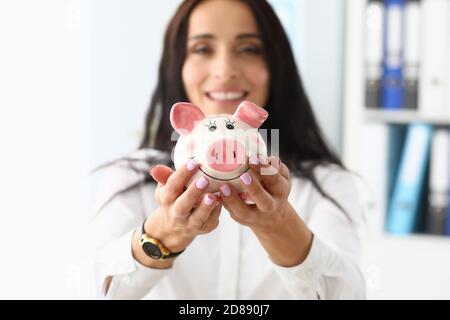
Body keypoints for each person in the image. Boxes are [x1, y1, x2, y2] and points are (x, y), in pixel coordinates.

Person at [90, 0, 367, 299]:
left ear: (276, 65)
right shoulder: (128, 181)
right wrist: (165, 233)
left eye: (249, 49)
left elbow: (349, 294)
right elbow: (96, 290)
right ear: (177, 65)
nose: (225, 71)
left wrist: (279, 225)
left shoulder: (328, 185)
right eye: (202, 49)